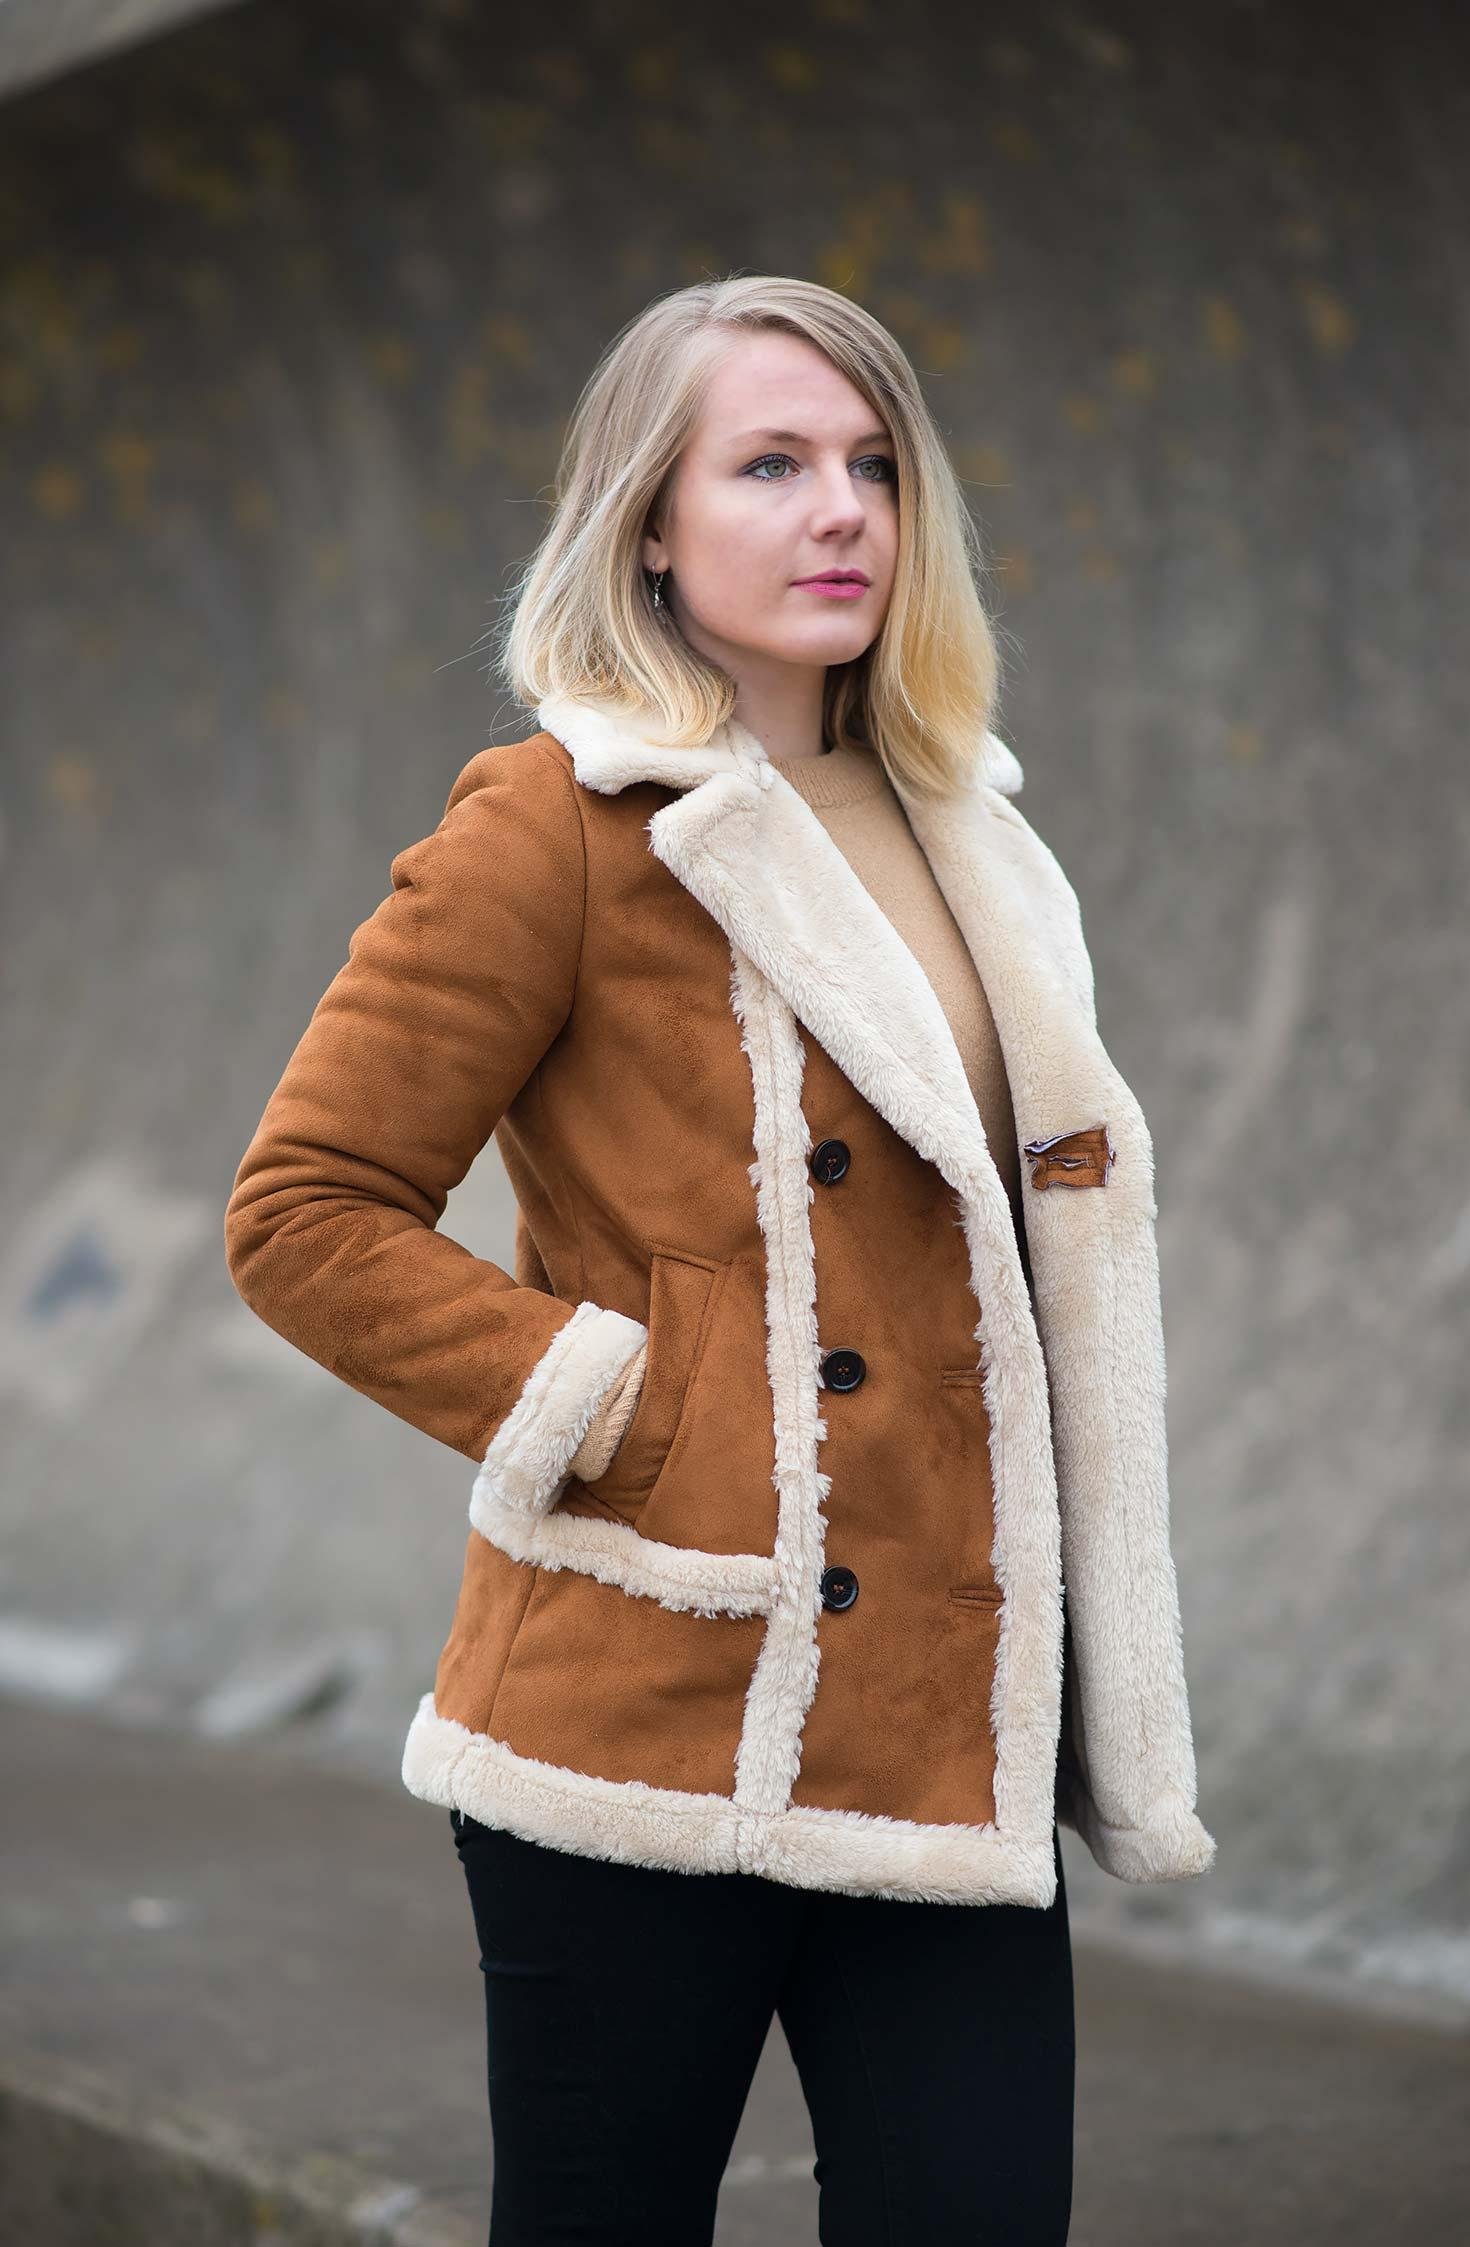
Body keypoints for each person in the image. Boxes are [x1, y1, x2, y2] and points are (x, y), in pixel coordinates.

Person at [225, 272, 1215, 2246]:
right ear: (651, 526)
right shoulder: (557, 825)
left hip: (944, 1729)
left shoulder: (978, 829)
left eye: (874, 465)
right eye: (769, 465)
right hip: (647, 1708)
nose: (841, 509)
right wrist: (629, 1409)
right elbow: (305, 1208)